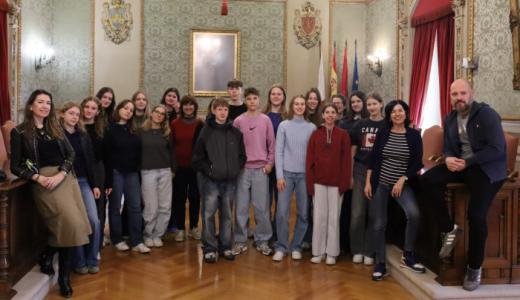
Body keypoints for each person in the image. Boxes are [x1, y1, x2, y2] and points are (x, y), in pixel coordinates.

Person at [421, 79, 507, 291]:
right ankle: (449, 229)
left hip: (486, 169)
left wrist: (466, 162)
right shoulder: (450, 118)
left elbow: (497, 149)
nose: (459, 98)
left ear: (471, 93)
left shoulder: (487, 115)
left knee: (476, 216)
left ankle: (474, 267)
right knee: (426, 180)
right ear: (450, 96)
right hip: (462, 166)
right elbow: (450, 147)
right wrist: (449, 158)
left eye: (462, 93)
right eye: (454, 94)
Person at [11, 89, 91, 297]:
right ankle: (51, 259)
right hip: (43, 182)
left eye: (48, 102)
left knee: (72, 225)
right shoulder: (19, 132)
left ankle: (60, 272)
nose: (45, 105)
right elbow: (15, 166)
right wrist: (36, 177)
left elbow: (70, 153)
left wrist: (62, 173)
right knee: (68, 225)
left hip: (65, 179)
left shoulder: (55, 128)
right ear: (31, 106)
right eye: (40, 102)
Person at [365, 100, 425, 281]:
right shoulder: (383, 133)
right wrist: (368, 182)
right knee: (379, 223)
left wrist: (403, 179)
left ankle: (408, 254)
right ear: (389, 115)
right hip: (380, 183)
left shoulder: (414, 135)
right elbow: (374, 158)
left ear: (406, 113)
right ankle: (381, 263)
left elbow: (417, 162)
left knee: (414, 214)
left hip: (402, 185)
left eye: (400, 111)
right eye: (393, 111)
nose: (397, 114)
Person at [192, 98, 246, 263]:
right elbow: (197, 158)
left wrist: (235, 169)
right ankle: (209, 248)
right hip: (211, 181)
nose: (223, 112)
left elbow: (242, 156)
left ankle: (225, 246)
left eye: (225, 109)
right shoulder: (205, 131)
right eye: (219, 109)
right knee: (208, 214)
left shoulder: (235, 132)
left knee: (227, 215)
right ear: (214, 111)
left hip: (230, 181)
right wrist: (210, 171)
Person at [59, 102, 101, 276]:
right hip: (65, 183)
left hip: (83, 182)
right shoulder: (56, 135)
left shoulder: (83, 135)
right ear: (62, 114)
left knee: (93, 220)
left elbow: (90, 162)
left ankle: (92, 259)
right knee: (75, 222)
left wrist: (95, 184)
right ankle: (79, 261)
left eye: (77, 114)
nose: (75, 117)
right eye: (71, 113)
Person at [272, 95, 316, 262]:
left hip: (304, 175)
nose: (299, 106)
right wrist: (279, 176)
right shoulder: (284, 125)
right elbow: (279, 151)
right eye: (296, 104)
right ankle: (281, 246)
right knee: (282, 212)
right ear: (291, 106)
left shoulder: (311, 127)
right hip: (286, 175)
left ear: (306, 107)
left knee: (303, 213)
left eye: (302, 104)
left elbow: (313, 155)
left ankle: (296, 245)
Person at [306, 104, 351, 265]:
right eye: (327, 112)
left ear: (337, 116)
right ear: (323, 115)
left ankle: (332, 252)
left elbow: (346, 161)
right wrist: (310, 184)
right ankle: (318, 252)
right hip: (318, 182)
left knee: (334, 218)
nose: (330, 115)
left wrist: (344, 183)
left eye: (333, 112)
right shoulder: (315, 134)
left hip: (336, 183)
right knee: (319, 217)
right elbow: (309, 160)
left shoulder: (343, 135)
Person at [232, 87, 275, 256]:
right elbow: (233, 146)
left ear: (259, 100)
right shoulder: (238, 121)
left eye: (255, 98)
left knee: (261, 207)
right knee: (241, 207)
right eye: (248, 98)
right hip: (243, 170)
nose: (252, 101)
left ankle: (262, 240)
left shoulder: (265, 120)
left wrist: (270, 163)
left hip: (261, 170)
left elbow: (272, 144)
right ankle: (240, 240)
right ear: (245, 100)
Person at [104, 99, 151, 254]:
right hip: (116, 172)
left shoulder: (133, 130)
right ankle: (117, 239)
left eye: (131, 110)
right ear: (119, 109)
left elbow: (139, 152)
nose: (128, 112)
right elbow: (107, 155)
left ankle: (137, 240)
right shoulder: (109, 128)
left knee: (135, 207)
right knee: (115, 207)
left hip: (132, 173)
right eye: (126, 108)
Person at [349, 92, 385, 265]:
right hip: (360, 170)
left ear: (381, 104)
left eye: (374, 104)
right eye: (368, 104)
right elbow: (353, 149)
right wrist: (350, 172)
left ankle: (370, 251)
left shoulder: (387, 124)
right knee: (357, 212)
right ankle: (357, 249)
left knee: (374, 214)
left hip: (380, 172)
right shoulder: (360, 124)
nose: (371, 107)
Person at [140, 104, 175, 248]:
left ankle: (158, 234)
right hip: (148, 172)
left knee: (165, 206)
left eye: (162, 114)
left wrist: (173, 169)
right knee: (150, 206)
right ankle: (148, 234)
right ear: (151, 113)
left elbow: (172, 152)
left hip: (165, 171)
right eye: (157, 112)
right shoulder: (141, 132)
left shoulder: (167, 133)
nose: (159, 115)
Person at [170, 95, 204, 241]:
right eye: (185, 105)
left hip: (195, 168)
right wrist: (173, 166)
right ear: (181, 107)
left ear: (195, 107)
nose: (188, 107)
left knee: (195, 198)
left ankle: (194, 227)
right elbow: (171, 147)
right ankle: (180, 229)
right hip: (179, 168)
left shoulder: (200, 124)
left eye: (191, 105)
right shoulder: (174, 124)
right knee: (179, 198)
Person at [81, 97, 108, 253]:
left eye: (93, 108)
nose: (89, 110)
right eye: (86, 107)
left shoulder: (102, 130)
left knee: (97, 209)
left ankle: (95, 248)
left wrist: (108, 181)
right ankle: (81, 244)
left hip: (98, 170)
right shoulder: (75, 127)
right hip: (79, 171)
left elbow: (108, 157)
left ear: (98, 112)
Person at [263, 84, 288, 243]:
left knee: (281, 202)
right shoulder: (262, 115)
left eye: (279, 94)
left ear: (284, 97)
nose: (276, 96)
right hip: (265, 164)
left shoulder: (288, 116)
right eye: (273, 94)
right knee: (264, 201)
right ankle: (265, 232)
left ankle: (278, 234)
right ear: (269, 96)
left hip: (283, 165)